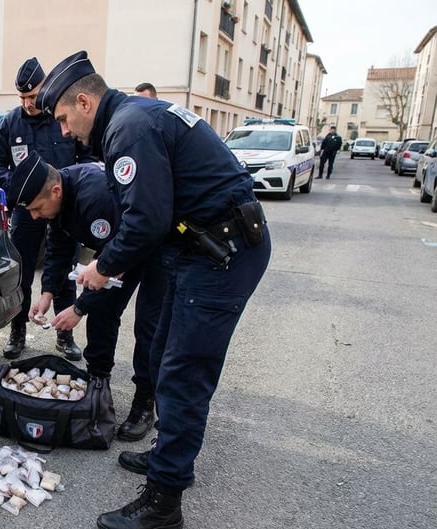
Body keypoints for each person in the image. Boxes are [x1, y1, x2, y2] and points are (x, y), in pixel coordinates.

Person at [36, 51, 271, 529]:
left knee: (184, 375)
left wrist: (102, 267)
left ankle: (163, 503)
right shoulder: (133, 118)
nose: (64, 131)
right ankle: (168, 455)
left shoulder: (128, 129)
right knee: (164, 355)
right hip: (199, 249)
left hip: (220, 255)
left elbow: (146, 220)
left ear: (84, 102)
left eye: (62, 118)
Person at [11, 151, 165, 443]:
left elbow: (118, 256)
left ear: (55, 191)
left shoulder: (94, 196)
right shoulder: (59, 199)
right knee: (103, 313)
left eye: (36, 208)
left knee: (149, 326)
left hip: (152, 248)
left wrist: (78, 308)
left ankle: (144, 403)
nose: (34, 216)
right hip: (115, 249)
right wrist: (47, 293)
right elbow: (59, 248)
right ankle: (98, 383)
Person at [0, 57, 93, 361]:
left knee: (66, 270)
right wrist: (16, 185)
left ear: (44, 87)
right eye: (22, 97)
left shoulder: (60, 118)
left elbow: (87, 156)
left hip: (64, 208)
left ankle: (64, 334)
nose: (28, 103)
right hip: (26, 210)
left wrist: (74, 187)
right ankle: (18, 330)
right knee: (22, 273)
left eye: (32, 96)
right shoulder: (10, 123)